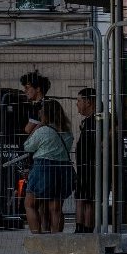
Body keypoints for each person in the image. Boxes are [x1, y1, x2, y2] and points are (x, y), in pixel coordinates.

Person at [23, 100, 75, 235]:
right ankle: (56, 242)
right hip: (63, 169)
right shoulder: (67, 132)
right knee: (56, 208)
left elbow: (28, 146)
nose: (39, 113)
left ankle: (37, 240)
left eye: (41, 111)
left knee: (30, 204)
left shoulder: (43, 131)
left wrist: (37, 127)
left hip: (43, 168)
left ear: (46, 114)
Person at [74, 89, 99, 233]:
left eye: (79, 101)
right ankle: (80, 229)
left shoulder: (99, 120)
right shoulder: (87, 122)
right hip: (84, 168)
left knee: (88, 200)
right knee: (81, 198)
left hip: (92, 168)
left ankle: (87, 232)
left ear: (88, 102)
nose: (77, 104)